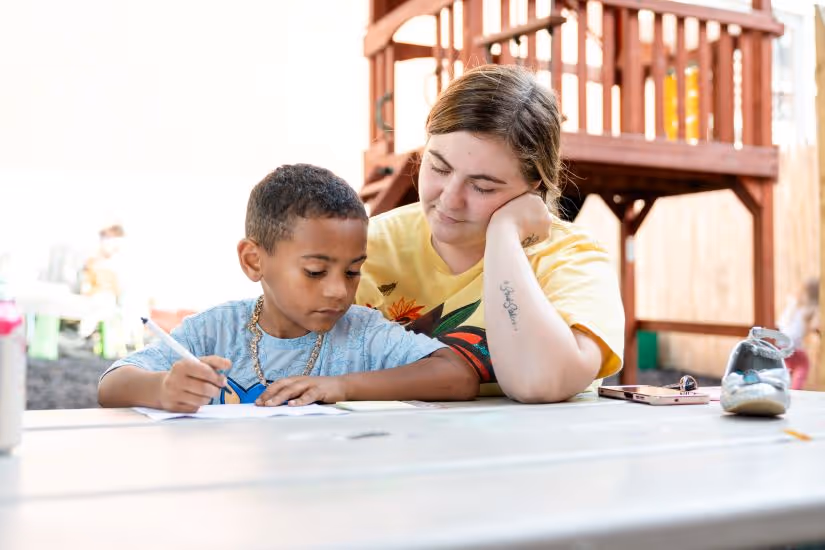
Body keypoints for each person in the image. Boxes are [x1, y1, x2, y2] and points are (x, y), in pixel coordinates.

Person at [98, 164, 478, 412]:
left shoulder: (362, 333)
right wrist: (164, 388)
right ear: (253, 261)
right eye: (315, 272)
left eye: (352, 272)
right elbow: (112, 385)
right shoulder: (215, 330)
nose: (337, 291)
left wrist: (342, 386)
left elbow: (458, 376)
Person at [357, 64, 625, 403]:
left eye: (482, 186)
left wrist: (504, 235)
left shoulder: (573, 259)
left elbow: (538, 384)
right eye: (438, 167)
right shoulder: (366, 245)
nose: (450, 200)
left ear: (533, 186)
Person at [778, 277, 819, 390]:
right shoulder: (810, 310)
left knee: (783, 371)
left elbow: (781, 324)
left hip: (780, 347)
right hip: (794, 349)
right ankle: (795, 390)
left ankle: (785, 389)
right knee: (803, 366)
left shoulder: (794, 305)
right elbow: (815, 325)